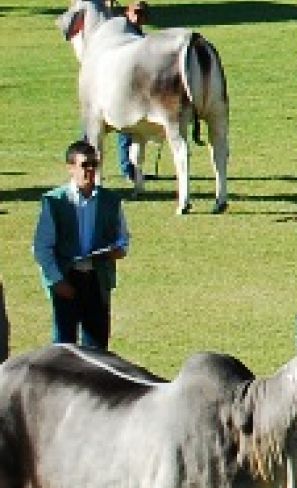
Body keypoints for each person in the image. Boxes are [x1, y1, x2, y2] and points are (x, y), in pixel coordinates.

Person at [33, 141, 131, 350]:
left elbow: (123, 237)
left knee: (98, 348)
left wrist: (118, 249)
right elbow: (42, 247)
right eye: (85, 165)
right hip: (67, 278)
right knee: (63, 349)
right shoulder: (54, 201)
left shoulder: (110, 201)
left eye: (94, 164)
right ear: (71, 167)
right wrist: (57, 281)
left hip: (97, 280)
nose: (90, 170)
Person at [116, 1, 149, 182]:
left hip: (135, 88)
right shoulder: (123, 33)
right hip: (121, 88)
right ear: (127, 13)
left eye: (141, 14)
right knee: (125, 130)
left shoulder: (141, 35)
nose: (138, 17)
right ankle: (128, 169)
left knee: (130, 130)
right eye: (135, 13)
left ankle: (131, 168)